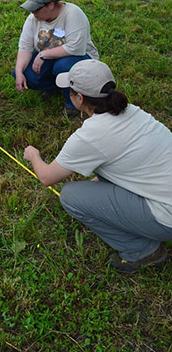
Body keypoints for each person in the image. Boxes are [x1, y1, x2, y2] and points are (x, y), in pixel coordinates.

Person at [23, 59, 172, 274]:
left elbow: (47, 177)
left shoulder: (91, 135)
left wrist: (34, 156)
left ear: (80, 98)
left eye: (71, 92)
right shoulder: (133, 111)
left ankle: (143, 251)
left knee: (71, 196)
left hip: (166, 217)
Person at [13, 0, 99, 117]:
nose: (33, 13)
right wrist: (18, 72)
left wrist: (43, 54)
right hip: (50, 59)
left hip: (80, 57)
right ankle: (55, 87)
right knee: (25, 73)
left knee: (62, 66)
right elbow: (25, 48)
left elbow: (75, 48)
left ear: (51, 5)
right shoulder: (33, 19)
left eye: (36, 9)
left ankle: (72, 103)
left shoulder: (72, 13)